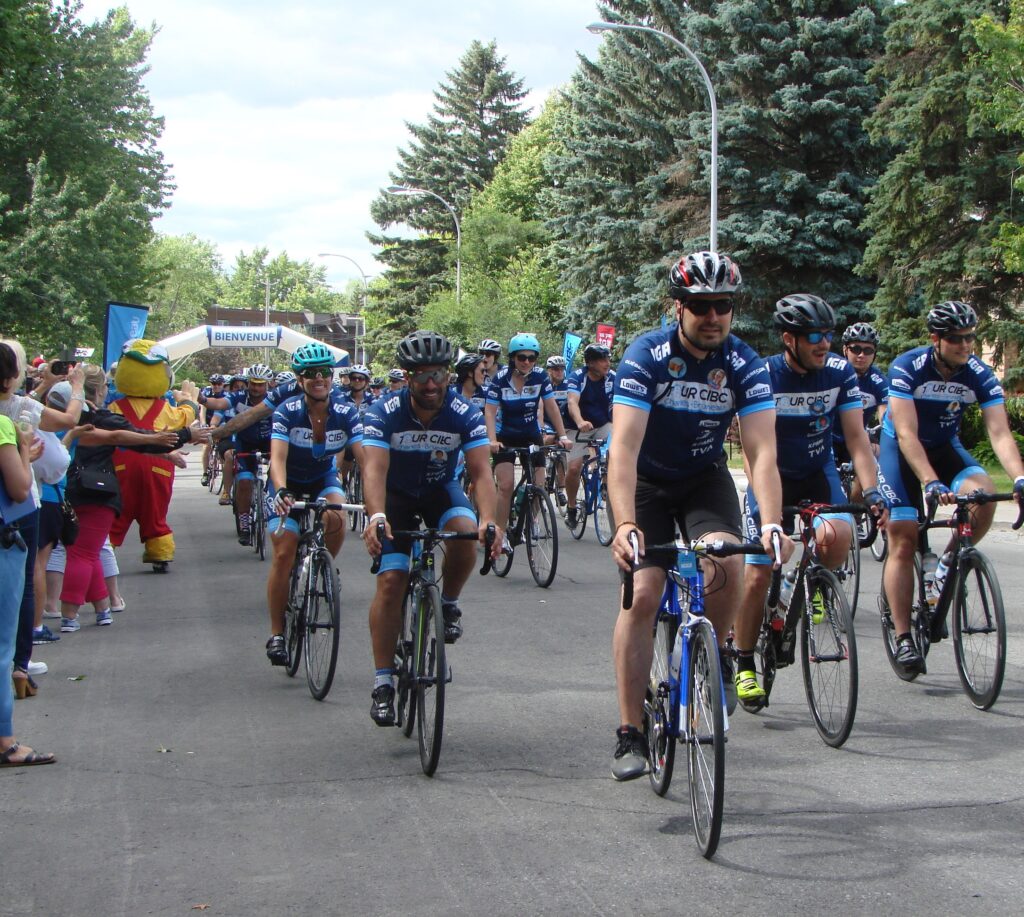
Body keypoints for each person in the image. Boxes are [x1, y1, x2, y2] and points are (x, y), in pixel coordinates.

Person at [607, 250, 792, 781]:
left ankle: (713, 659)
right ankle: (629, 732)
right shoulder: (646, 355)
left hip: (702, 478)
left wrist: (773, 522)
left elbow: (760, 453)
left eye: (723, 306)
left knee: (727, 562)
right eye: (700, 306)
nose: (713, 317)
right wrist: (624, 525)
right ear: (678, 307)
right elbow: (622, 449)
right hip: (643, 480)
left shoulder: (743, 363)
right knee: (644, 592)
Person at [733, 295, 888, 708]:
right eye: (815, 336)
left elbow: (857, 439)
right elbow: (753, 451)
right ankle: (744, 659)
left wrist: (872, 490)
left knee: (838, 536)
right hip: (773, 477)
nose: (825, 344)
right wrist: (766, 508)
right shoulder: (764, 374)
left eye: (829, 335)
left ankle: (805, 581)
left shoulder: (839, 373)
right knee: (756, 574)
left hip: (818, 473)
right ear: (788, 339)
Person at [361, 331, 501, 726]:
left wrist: (490, 519)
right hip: (396, 497)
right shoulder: (383, 411)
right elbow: (374, 469)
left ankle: (448, 602)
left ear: (448, 377)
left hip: (441, 488)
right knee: (391, 581)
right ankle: (383, 680)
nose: (429, 384)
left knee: (465, 530)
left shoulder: (464, 412)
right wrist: (375, 516)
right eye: (420, 375)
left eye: (437, 374)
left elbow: (480, 471)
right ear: (407, 378)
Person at [878, 301, 1024, 677]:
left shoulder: (978, 372)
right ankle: (904, 636)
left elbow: (999, 432)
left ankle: (945, 565)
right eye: (956, 339)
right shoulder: (908, 367)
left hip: (944, 447)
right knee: (904, 535)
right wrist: (930, 481)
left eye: (970, 337)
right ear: (935, 340)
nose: (966, 345)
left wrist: (1020, 478)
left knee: (985, 495)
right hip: (902, 451)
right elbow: (907, 434)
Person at [59, 365, 189, 631]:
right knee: (85, 554)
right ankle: (70, 614)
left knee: (89, 551)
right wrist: (184, 429)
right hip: (95, 489)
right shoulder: (93, 419)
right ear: (97, 391)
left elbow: (129, 437)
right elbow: (125, 436)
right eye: (105, 386)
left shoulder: (73, 417)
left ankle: (102, 607)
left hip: (74, 489)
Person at [265, 343, 364, 666]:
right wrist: (280, 491)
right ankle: (278, 633)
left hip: (323, 478)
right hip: (287, 484)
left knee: (337, 517)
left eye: (325, 373)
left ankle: (321, 564)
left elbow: (365, 457)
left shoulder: (346, 411)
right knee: (284, 549)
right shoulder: (287, 411)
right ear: (299, 379)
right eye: (311, 374)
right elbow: (277, 460)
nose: (319, 378)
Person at [1, 343, 54, 766]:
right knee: (3, 645)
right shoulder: (5, 425)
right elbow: (20, 489)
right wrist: (22, 451)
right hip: (7, 536)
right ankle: (5, 743)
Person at [484, 333, 572, 552]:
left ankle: (529, 524)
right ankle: (500, 534)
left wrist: (562, 436)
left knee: (539, 485)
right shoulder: (500, 378)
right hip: (505, 436)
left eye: (531, 358)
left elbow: (551, 406)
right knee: (505, 486)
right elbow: (489, 411)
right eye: (522, 357)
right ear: (513, 357)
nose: (526, 362)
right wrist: (492, 440)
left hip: (531, 434)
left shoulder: (540, 377)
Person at [221, 363, 276, 546]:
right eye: (253, 383)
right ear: (248, 383)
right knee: (244, 481)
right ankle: (244, 523)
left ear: (267, 384)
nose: (256, 388)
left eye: (261, 384)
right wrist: (203, 400)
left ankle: (268, 500)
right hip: (244, 443)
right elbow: (220, 403)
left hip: (269, 442)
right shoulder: (239, 396)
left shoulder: (275, 399)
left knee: (278, 474)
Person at [564, 344, 615, 526]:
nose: (607, 363)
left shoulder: (612, 378)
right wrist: (579, 422)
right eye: (603, 359)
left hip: (602, 424)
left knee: (617, 451)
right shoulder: (577, 377)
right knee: (574, 468)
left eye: (608, 359)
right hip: (578, 427)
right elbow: (572, 402)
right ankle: (571, 506)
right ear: (591, 363)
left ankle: (606, 481)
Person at [834, 322, 888, 471]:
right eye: (856, 349)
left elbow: (886, 414)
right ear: (845, 350)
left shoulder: (878, 380)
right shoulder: (833, 373)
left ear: (874, 353)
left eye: (868, 350)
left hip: (857, 438)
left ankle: (861, 494)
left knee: (875, 462)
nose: (861, 355)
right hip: (827, 437)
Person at [199, 374, 227, 486]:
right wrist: (203, 423)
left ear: (223, 385)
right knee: (206, 446)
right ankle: (205, 473)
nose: (216, 386)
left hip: (221, 421)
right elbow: (202, 410)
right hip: (208, 419)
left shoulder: (226, 395)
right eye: (214, 384)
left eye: (219, 384)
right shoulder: (206, 393)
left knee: (222, 449)